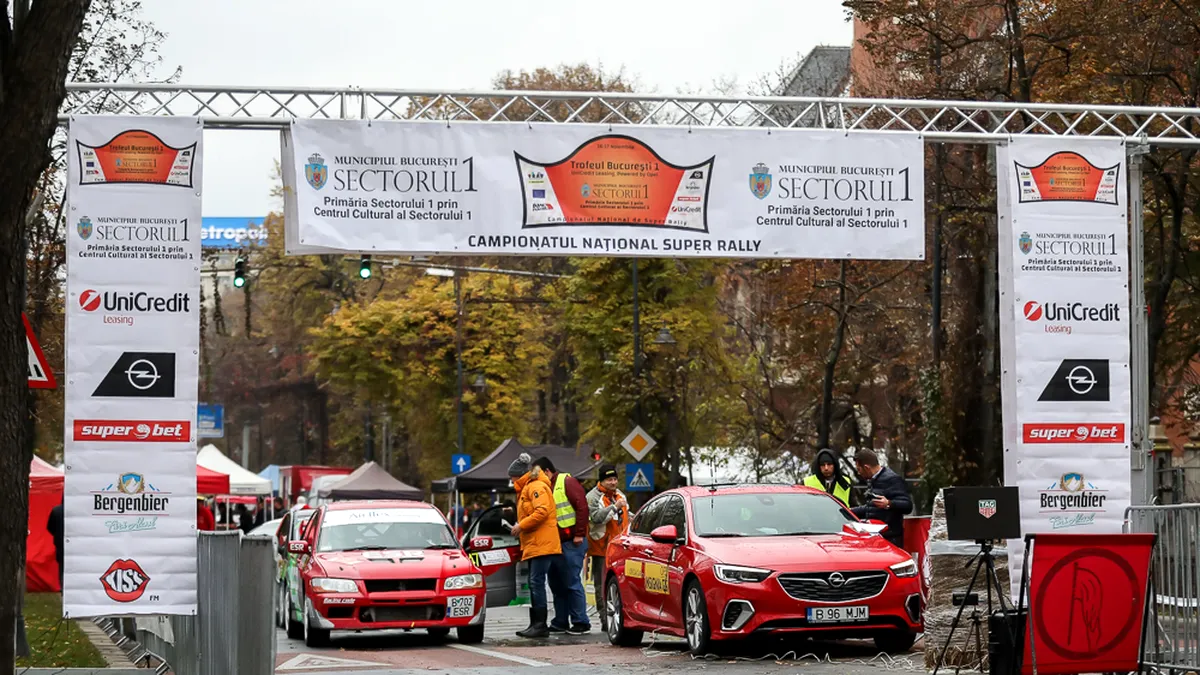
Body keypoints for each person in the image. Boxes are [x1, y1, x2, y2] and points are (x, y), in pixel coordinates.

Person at [531, 456, 590, 634]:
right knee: (556, 583)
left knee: (571, 582)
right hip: (555, 544)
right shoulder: (545, 487)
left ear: (547, 471)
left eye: (538, 474)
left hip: (571, 541)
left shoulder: (567, 482)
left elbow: (582, 507)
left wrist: (579, 534)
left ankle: (580, 622)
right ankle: (561, 621)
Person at [507, 452, 561, 639]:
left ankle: (540, 625)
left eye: (512, 477)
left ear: (519, 475)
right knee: (534, 582)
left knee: (536, 582)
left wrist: (521, 526)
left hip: (541, 542)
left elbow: (542, 511)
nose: (511, 481)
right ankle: (536, 623)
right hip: (536, 542)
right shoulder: (528, 488)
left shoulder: (535, 486)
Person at [586, 464, 628, 632]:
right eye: (609, 479)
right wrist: (614, 507)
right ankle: (605, 620)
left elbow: (626, 517)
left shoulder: (620, 495)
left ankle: (621, 618)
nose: (613, 482)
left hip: (620, 548)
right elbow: (596, 518)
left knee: (620, 584)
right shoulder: (593, 497)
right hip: (601, 548)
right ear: (602, 481)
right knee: (602, 585)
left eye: (615, 479)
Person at [851, 449, 913, 548]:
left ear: (866, 468)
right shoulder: (874, 480)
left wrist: (889, 503)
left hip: (890, 539)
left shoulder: (892, 480)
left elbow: (908, 505)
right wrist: (848, 512)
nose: (858, 473)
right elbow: (871, 508)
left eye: (859, 469)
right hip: (877, 537)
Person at [47, 498, 64, 589]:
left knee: (62, 567)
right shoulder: (76, 511)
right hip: (74, 543)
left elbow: (50, 527)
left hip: (60, 543)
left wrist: (57, 534)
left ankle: (62, 587)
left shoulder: (56, 510)